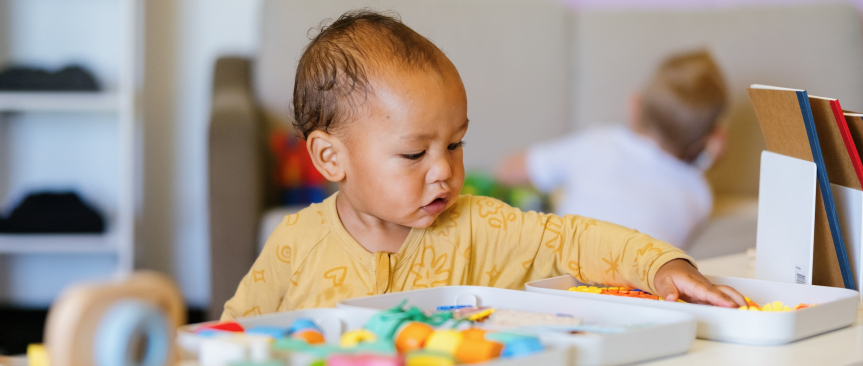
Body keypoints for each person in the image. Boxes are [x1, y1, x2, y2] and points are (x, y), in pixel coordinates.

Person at [221, 11, 744, 320]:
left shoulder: (481, 227)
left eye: (456, 144)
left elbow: (578, 241)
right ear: (330, 157)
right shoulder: (294, 244)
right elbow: (231, 336)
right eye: (413, 154)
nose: (443, 170)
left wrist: (662, 267)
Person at [496, 50, 727, 248]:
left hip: (564, 267)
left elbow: (507, 171)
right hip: (634, 287)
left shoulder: (600, 142)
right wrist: (709, 158)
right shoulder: (699, 195)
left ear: (633, 106)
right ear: (711, 139)